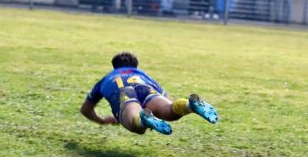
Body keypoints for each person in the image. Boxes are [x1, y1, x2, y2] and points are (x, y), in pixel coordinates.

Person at [80, 52, 219, 135]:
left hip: (124, 92)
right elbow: (167, 99)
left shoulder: (107, 78)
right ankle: (189, 105)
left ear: (114, 67)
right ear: (135, 66)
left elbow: (86, 109)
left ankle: (144, 119)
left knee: (137, 125)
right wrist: (159, 113)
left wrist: (102, 120)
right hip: (144, 88)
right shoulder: (143, 75)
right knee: (170, 110)